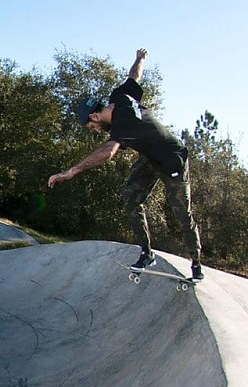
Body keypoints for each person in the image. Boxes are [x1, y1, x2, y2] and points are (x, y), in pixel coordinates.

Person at [48, 48, 204, 281]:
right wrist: (139, 58)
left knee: (181, 211)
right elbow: (135, 76)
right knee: (131, 198)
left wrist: (73, 170)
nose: (96, 130)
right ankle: (146, 253)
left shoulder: (122, 124)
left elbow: (108, 153)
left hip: (173, 159)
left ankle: (196, 264)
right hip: (150, 158)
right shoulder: (120, 95)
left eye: (93, 127)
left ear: (94, 117)